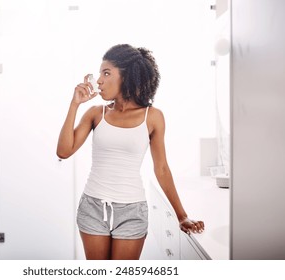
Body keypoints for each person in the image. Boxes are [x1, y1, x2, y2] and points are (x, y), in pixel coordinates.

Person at [56, 44, 204, 260]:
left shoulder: (152, 117)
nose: (98, 80)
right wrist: (74, 104)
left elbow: (161, 169)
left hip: (132, 211)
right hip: (93, 207)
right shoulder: (96, 113)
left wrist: (182, 217)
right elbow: (63, 151)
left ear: (127, 77)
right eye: (100, 73)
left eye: (106, 73)